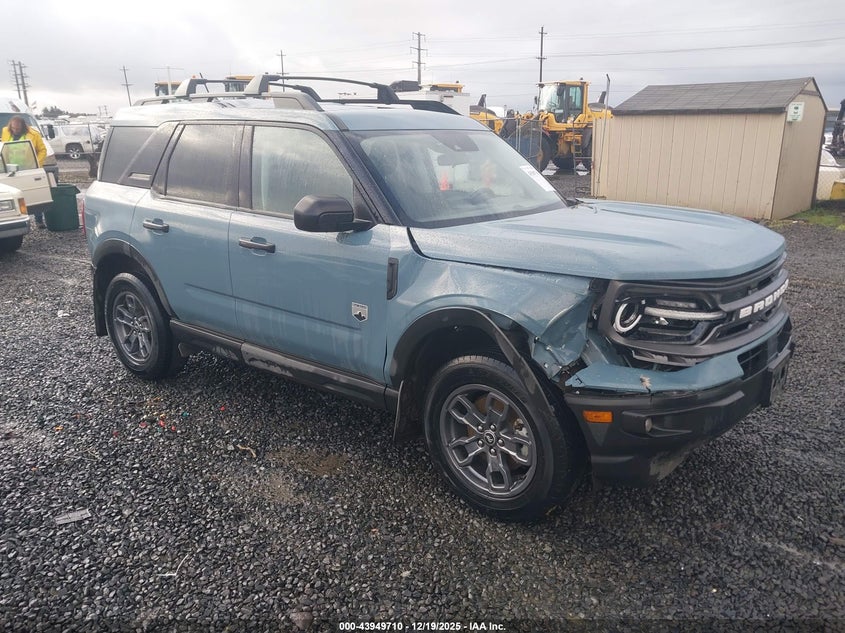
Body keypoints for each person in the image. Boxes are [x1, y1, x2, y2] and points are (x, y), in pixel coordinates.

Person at [2, 115, 49, 227]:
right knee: (13, 194)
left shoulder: (34, 134)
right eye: (13, 128)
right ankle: (14, 217)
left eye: (17, 129)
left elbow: (42, 150)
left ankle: (38, 219)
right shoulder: (5, 131)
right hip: (9, 168)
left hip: (28, 167)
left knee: (34, 193)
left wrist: (36, 163)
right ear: (10, 127)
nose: (15, 131)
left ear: (23, 127)